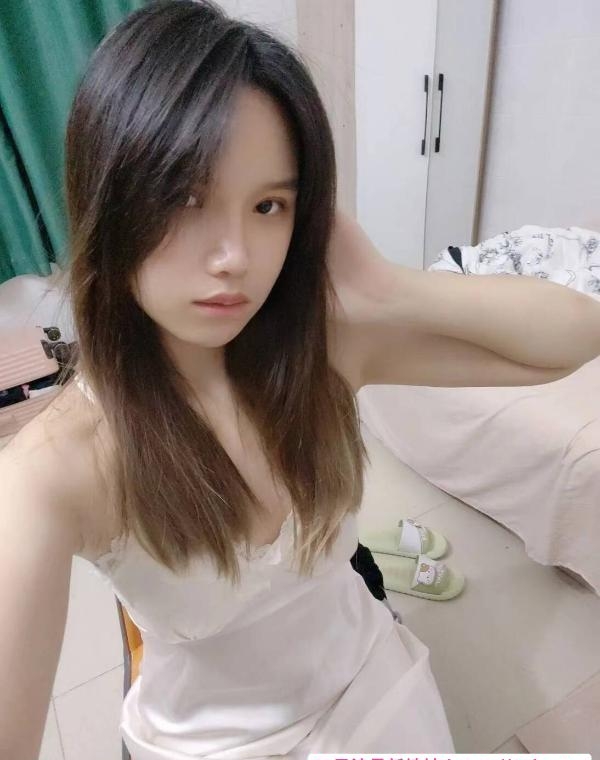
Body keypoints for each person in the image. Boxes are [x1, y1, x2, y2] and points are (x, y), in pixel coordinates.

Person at [0, 1, 455, 758]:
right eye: (185, 198)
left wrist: (395, 289)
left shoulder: (315, 353)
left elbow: (572, 336)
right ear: (109, 202)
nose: (236, 257)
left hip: (370, 677)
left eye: (269, 204)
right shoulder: (52, 469)